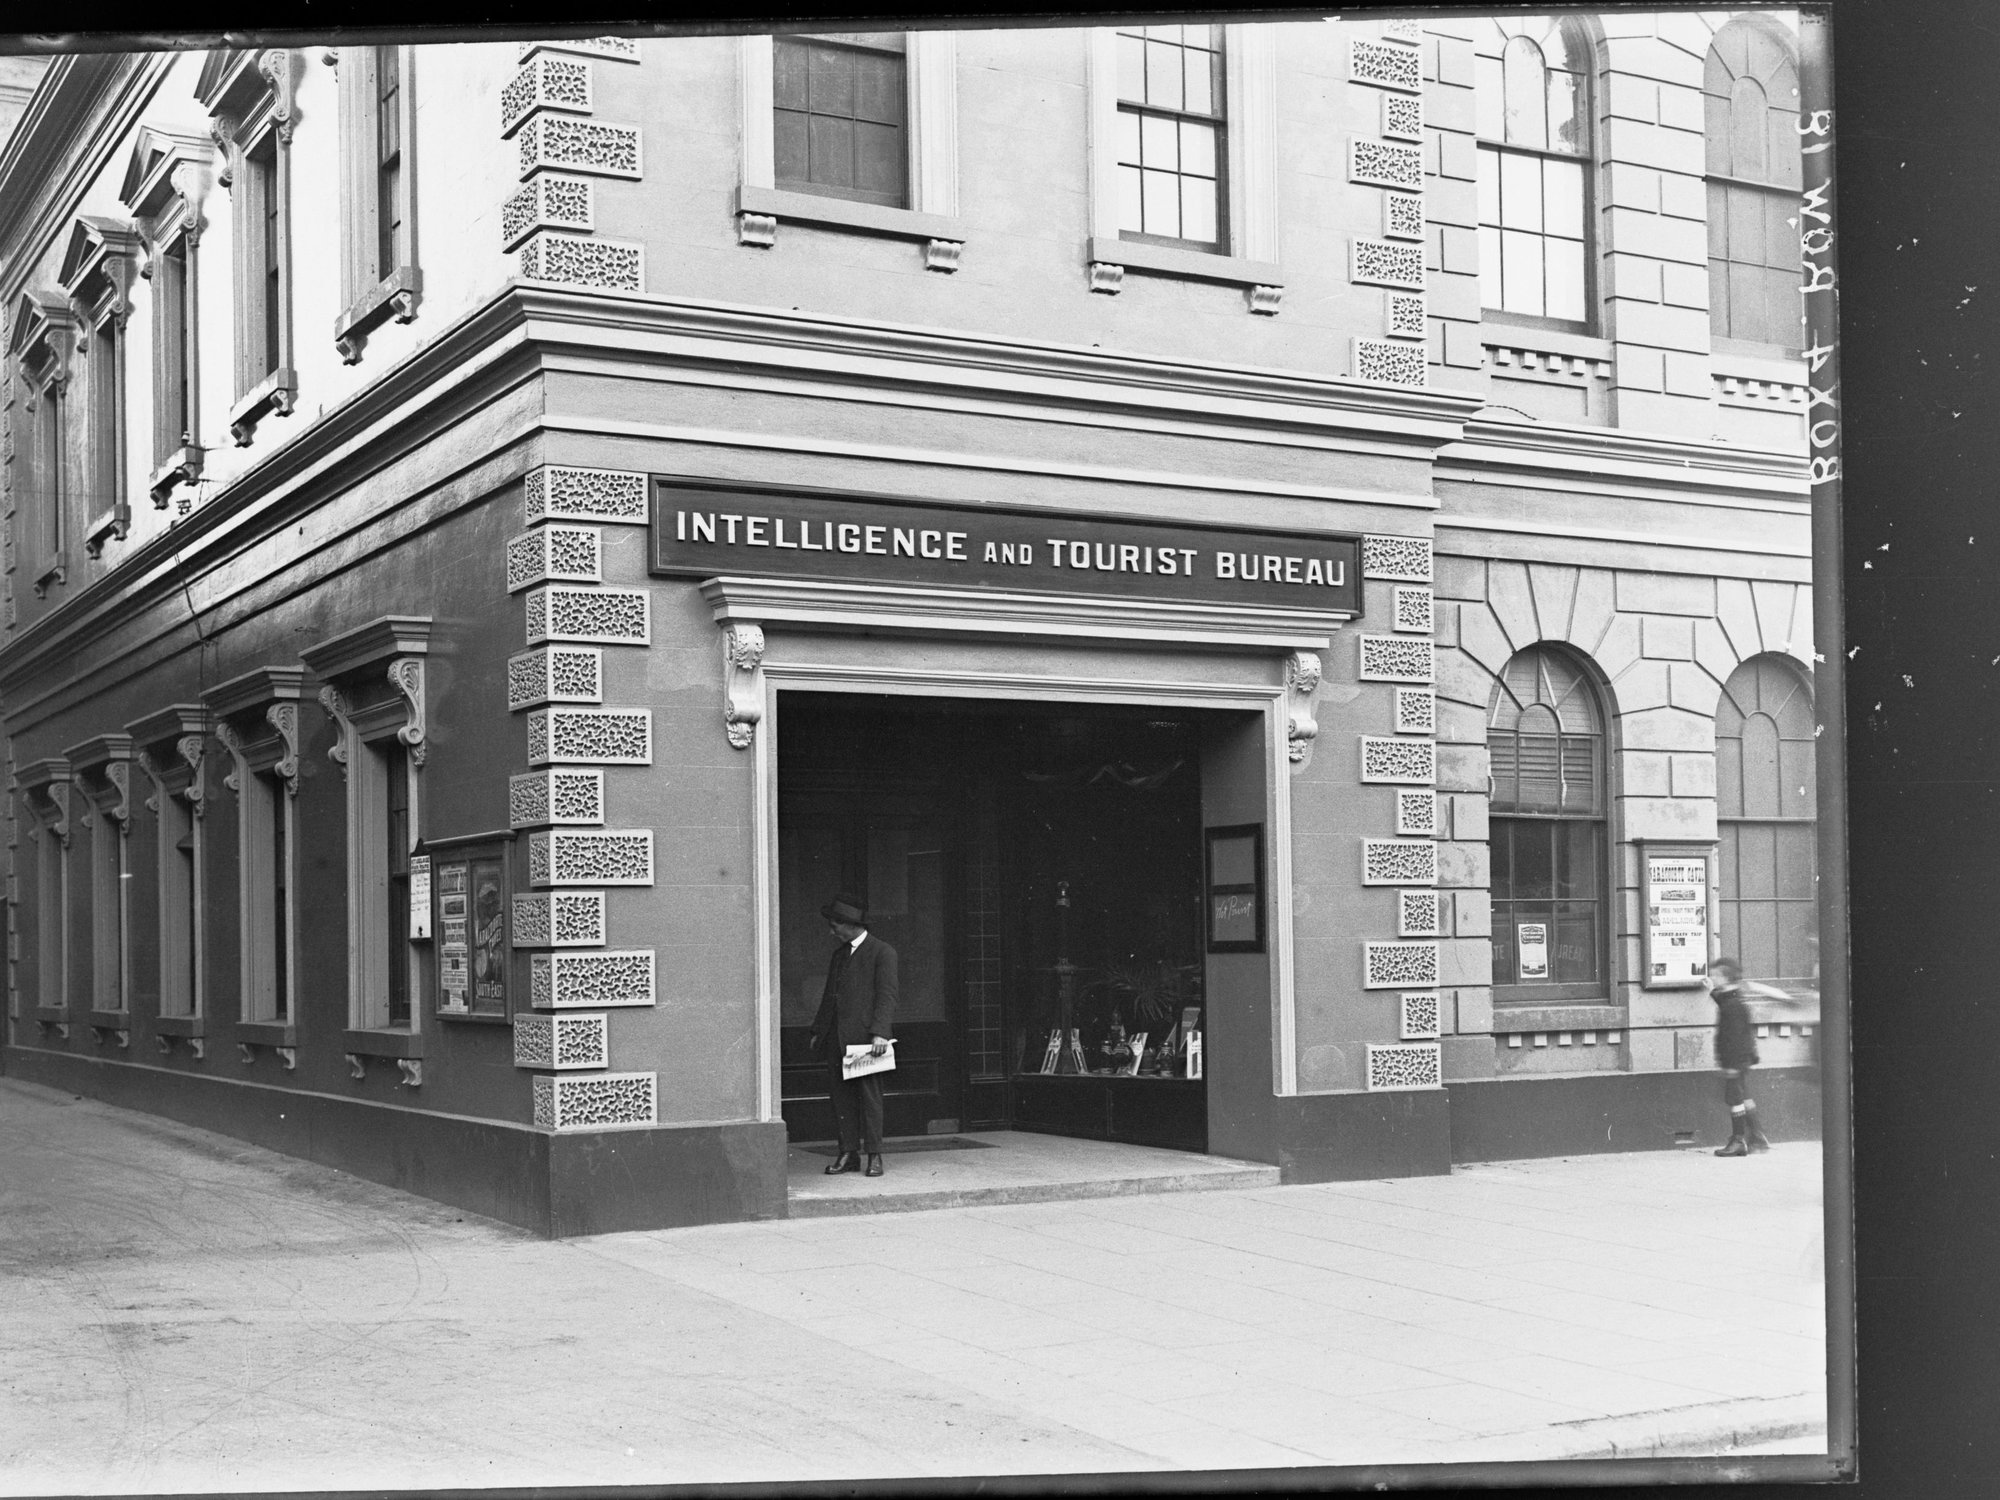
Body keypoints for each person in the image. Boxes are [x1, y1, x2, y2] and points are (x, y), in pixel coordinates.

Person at [808, 895, 898, 1178]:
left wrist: (880, 1033)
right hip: (836, 1037)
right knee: (841, 1098)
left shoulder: (882, 952)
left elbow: (887, 996)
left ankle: (874, 1155)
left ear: (850, 925)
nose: (831, 931)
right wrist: (818, 1031)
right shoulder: (839, 955)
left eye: (835, 926)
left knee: (870, 1099)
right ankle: (848, 1153)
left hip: (866, 1039)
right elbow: (829, 997)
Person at [1708, 956, 1772, 1157]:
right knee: (1743, 1096)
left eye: (1715, 975)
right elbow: (1724, 1003)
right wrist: (1711, 990)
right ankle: (1758, 1137)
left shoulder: (1733, 1004)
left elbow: (1735, 1037)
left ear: (1725, 978)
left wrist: (1731, 1065)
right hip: (1741, 1060)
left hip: (1735, 1061)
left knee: (1734, 1098)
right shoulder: (1733, 998)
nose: (1712, 977)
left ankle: (1738, 1141)